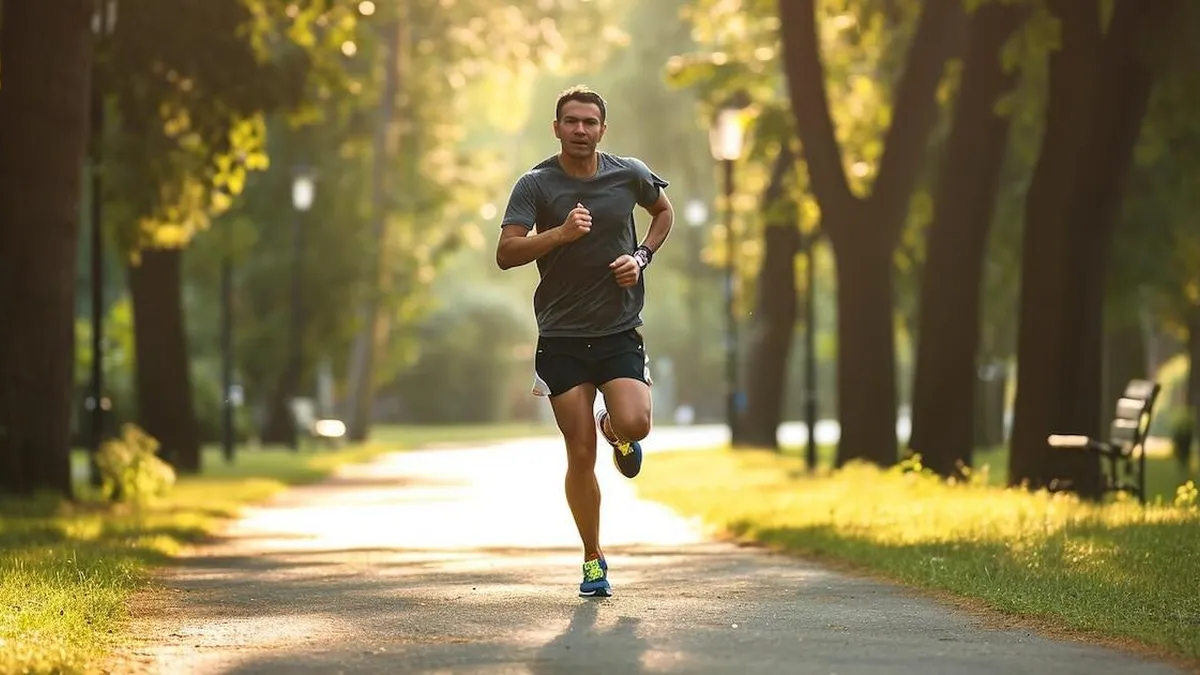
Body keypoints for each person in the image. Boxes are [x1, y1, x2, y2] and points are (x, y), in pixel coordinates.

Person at [495, 85, 674, 598]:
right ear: (556, 128)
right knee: (579, 454)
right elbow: (507, 253)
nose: (580, 130)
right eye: (570, 121)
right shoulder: (535, 184)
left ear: (602, 129)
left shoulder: (630, 174)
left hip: (618, 328)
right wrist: (559, 236)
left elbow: (664, 213)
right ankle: (593, 558)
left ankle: (616, 430)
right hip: (562, 336)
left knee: (637, 421)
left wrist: (640, 259)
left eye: (589, 122)